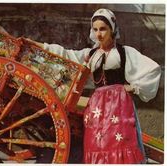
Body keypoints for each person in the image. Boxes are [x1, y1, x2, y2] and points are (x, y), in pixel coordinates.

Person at [30, 8, 161, 164]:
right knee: (97, 143)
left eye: (103, 29)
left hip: (119, 106)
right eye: (96, 29)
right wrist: (39, 45)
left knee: (119, 142)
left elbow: (152, 70)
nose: (99, 34)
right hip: (97, 107)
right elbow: (65, 54)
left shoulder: (124, 52)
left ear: (112, 29)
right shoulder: (91, 54)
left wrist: (132, 87)